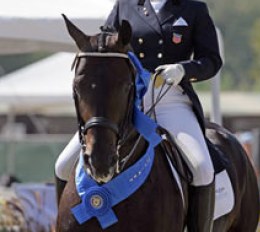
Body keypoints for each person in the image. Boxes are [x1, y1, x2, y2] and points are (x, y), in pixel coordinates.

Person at [55, 0, 222, 231]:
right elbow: (107, 47)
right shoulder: (125, 6)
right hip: (124, 99)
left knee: (202, 168)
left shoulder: (193, 8)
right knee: (62, 165)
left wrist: (184, 69)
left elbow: (212, 60)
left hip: (170, 97)